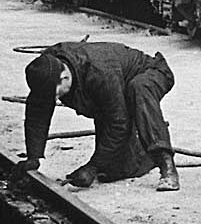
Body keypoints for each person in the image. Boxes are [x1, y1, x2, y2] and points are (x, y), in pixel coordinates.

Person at [10, 41, 180, 191]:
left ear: (65, 77)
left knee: (139, 89)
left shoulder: (99, 73)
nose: (54, 100)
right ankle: (143, 148)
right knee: (114, 171)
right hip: (115, 89)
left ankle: (167, 166)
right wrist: (33, 157)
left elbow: (118, 123)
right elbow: (37, 112)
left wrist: (93, 166)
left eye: (55, 95)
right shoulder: (47, 67)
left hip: (152, 72)